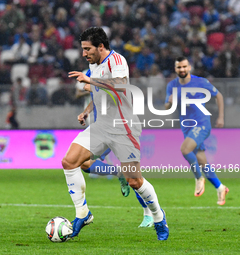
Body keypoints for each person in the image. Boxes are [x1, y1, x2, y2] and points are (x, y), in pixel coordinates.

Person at [64, 27, 169, 240]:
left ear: (101, 46)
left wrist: (90, 80)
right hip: (101, 125)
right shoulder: (93, 65)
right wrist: (86, 111)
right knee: (70, 162)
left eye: (87, 49)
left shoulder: (116, 60)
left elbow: (120, 86)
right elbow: (98, 93)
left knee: (135, 181)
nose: (84, 54)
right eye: (83, 49)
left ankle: (159, 216)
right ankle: (82, 214)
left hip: (123, 126)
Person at [165, 56, 229, 205]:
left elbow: (218, 95)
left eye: (184, 66)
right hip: (186, 126)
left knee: (185, 149)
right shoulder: (172, 86)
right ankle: (220, 187)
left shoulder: (200, 82)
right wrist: (169, 102)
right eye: (179, 67)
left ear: (189, 67)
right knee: (202, 161)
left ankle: (199, 178)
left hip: (202, 124)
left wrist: (221, 117)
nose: (182, 69)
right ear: (175, 69)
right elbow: (166, 107)